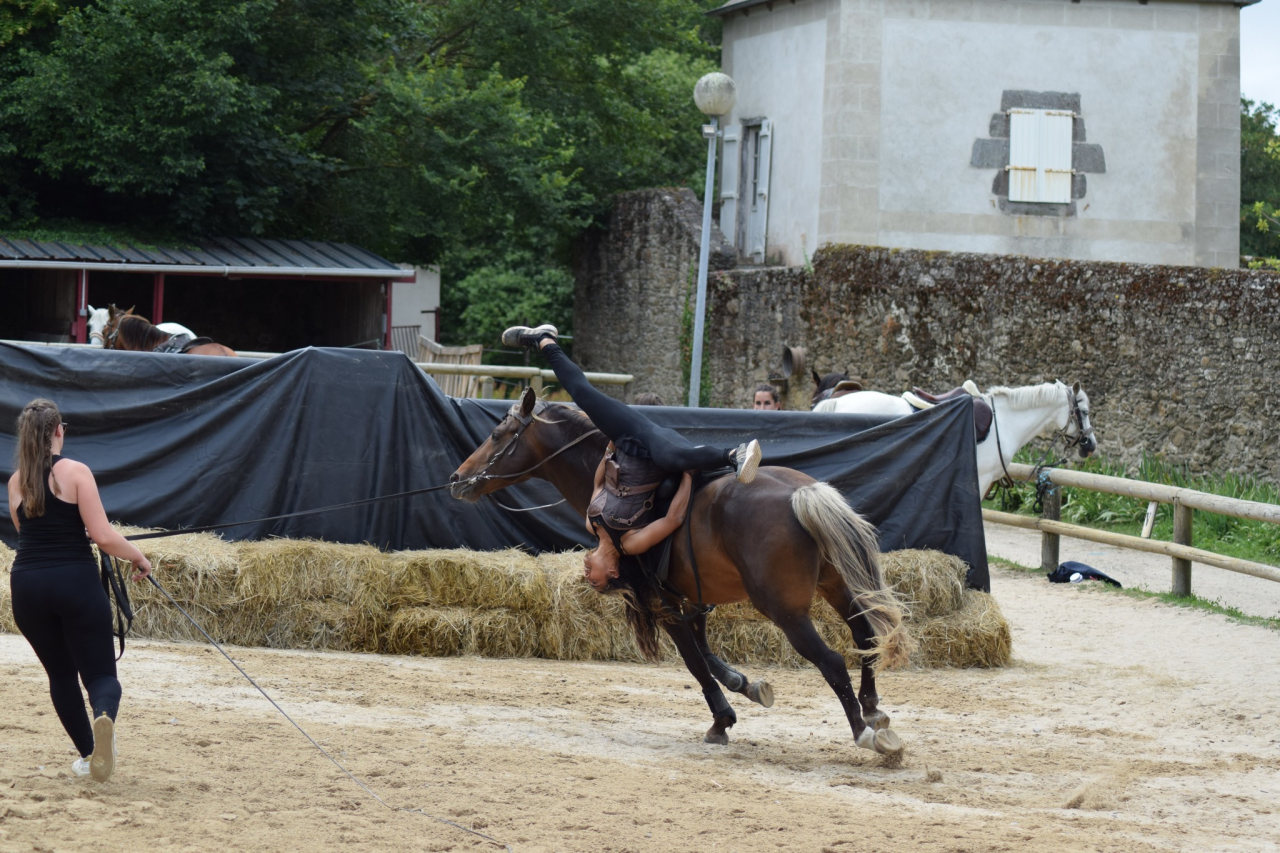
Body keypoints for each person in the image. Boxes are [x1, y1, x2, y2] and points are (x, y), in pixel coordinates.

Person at [501, 325, 762, 592]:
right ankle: (734, 454)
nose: (587, 578)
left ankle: (543, 340)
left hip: (627, 439)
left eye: (588, 581)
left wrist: (611, 442)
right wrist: (688, 473)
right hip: (653, 451)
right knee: (673, 457)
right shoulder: (631, 543)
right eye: (596, 582)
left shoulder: (591, 525)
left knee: (581, 394)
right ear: (613, 572)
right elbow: (673, 519)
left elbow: (599, 485)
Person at [7, 399, 152, 782]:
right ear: (58, 431)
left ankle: (90, 755)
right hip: (74, 580)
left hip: (27, 585)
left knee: (60, 675)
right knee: (101, 674)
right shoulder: (76, 472)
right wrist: (139, 557)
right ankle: (103, 716)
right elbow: (103, 536)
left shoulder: (16, 480)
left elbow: (29, 535)